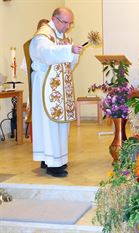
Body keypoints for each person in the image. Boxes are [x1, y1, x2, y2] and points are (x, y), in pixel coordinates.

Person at [28, 7, 82, 177]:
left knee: (60, 124)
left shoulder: (64, 37)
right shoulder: (42, 35)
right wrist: (68, 50)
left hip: (60, 88)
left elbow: (69, 64)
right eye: (66, 22)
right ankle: (53, 164)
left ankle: (54, 158)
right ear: (55, 18)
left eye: (70, 23)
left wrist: (73, 53)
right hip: (46, 85)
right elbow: (46, 53)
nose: (68, 26)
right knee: (49, 124)